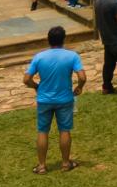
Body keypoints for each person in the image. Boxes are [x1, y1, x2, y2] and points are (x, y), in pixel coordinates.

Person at [26, 25, 85, 173]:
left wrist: (36, 86)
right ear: (63, 40)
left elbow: (26, 79)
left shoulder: (39, 57)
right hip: (65, 99)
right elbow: (82, 77)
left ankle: (41, 166)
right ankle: (66, 164)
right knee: (64, 130)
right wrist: (79, 87)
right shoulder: (72, 56)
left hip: (44, 99)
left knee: (42, 131)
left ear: (48, 40)